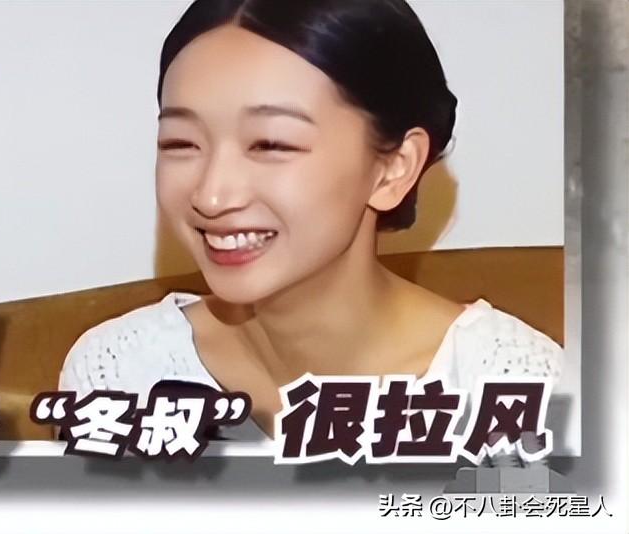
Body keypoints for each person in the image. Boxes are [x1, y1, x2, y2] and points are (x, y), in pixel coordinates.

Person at [58, 0, 563, 441]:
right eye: (181, 143)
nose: (211, 195)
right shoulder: (120, 375)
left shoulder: (515, 390)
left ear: (394, 167)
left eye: (270, 143)